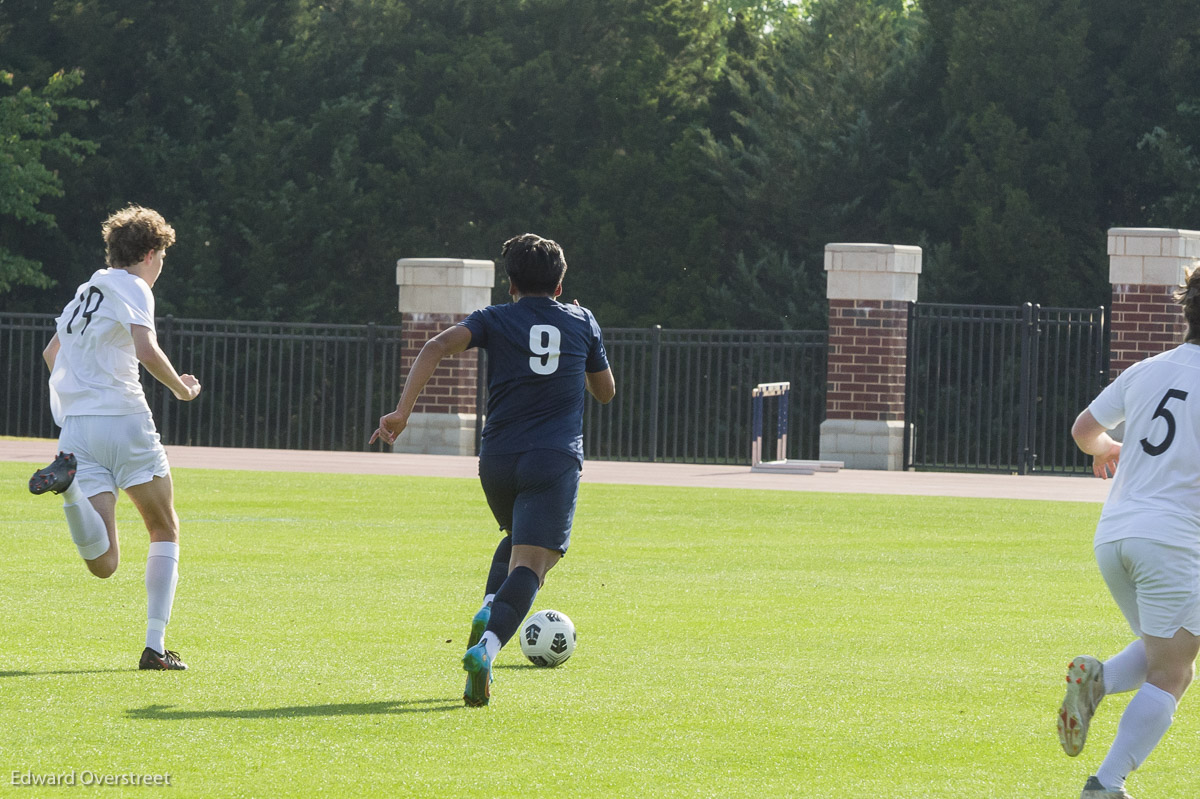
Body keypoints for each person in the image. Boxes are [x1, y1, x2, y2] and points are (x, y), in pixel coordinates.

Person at [371, 233, 615, 706]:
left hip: (498, 461)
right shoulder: (583, 320)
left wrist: (402, 413)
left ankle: (488, 608)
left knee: (515, 538)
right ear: (560, 285)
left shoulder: (495, 319)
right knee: (534, 564)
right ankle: (487, 648)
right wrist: (586, 337)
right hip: (553, 459)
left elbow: (435, 347)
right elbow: (605, 392)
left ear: (511, 285)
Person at [28, 205, 201, 671]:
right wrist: (183, 389)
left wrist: (85, 390)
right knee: (164, 527)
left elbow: (51, 353)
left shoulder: (86, 290)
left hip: (78, 429)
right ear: (150, 253)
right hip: (124, 420)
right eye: (161, 256)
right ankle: (155, 646)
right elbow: (146, 349)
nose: (160, 266)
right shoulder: (134, 286)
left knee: (103, 563)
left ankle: (68, 492)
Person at [1060, 269, 1200, 798]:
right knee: (1174, 673)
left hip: (1114, 535)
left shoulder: (1148, 369)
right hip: (1171, 541)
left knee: (1168, 648)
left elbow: (1083, 431)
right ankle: (1106, 783)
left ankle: (1097, 680)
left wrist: (1108, 450)